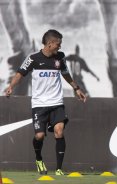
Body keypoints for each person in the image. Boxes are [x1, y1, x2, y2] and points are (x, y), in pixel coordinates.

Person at [5, 29, 87, 175]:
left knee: (59, 131)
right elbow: (20, 73)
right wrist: (11, 86)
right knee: (39, 136)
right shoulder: (33, 58)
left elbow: (66, 74)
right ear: (50, 44)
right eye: (58, 44)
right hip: (39, 105)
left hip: (56, 103)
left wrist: (77, 88)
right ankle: (38, 159)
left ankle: (59, 169)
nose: (60, 47)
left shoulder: (60, 57)